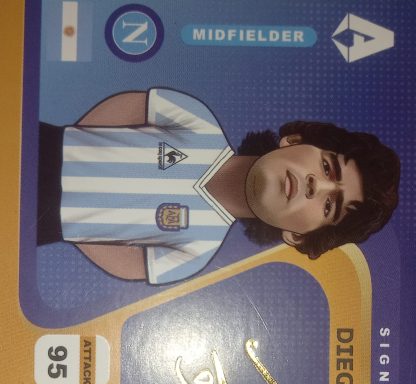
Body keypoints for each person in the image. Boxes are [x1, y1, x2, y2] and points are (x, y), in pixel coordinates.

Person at [37, 88, 400, 284]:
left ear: (298, 237)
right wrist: (73, 144)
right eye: (326, 167)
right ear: (294, 140)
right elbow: (130, 108)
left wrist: (75, 223)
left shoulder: (197, 250)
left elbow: (127, 263)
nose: (314, 185)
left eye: (329, 206)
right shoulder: (198, 122)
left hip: (44, 222)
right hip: (41, 143)